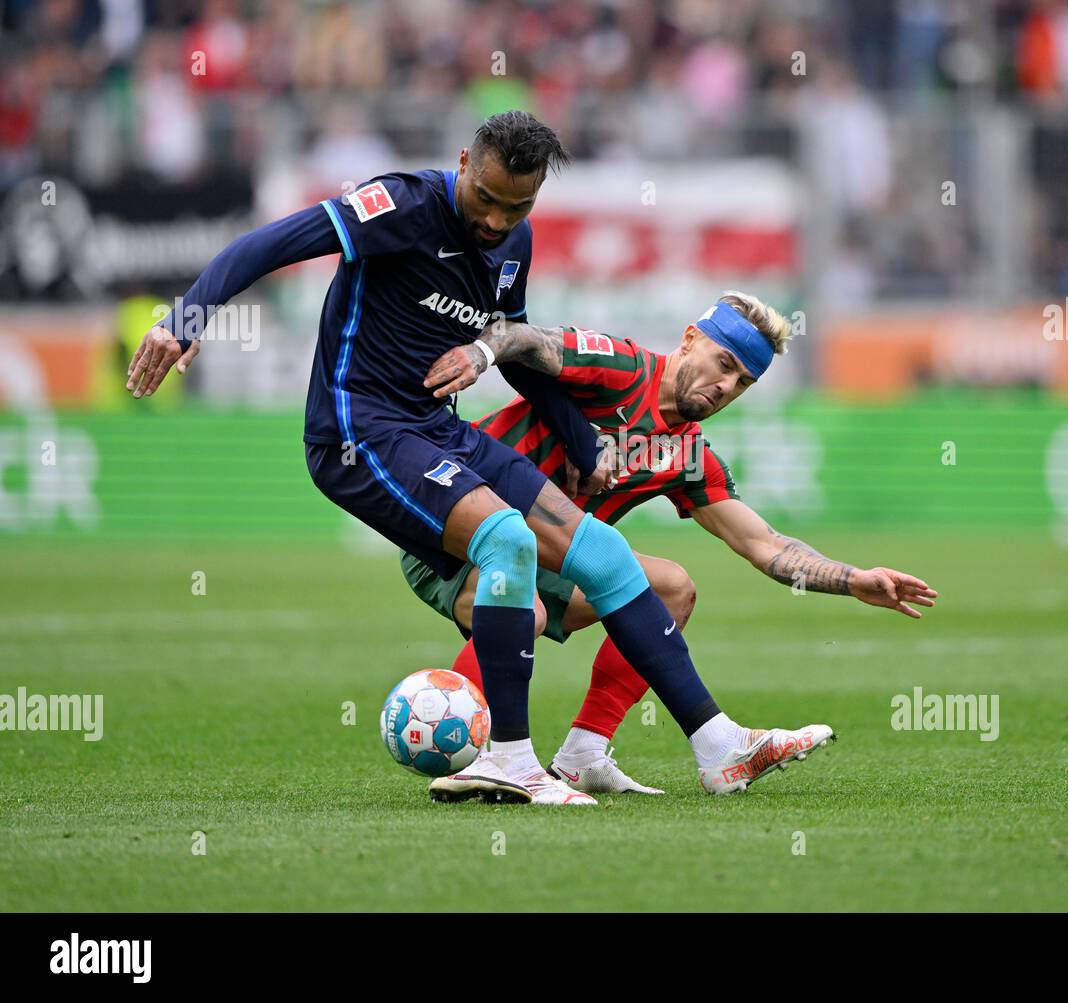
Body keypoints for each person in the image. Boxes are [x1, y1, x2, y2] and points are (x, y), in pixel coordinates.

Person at [126, 111, 831, 806]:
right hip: (359, 429)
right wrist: (187, 317)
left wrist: (582, 445)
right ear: (464, 163)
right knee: (507, 539)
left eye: (515, 205)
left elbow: (517, 352)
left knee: (608, 555)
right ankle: (511, 761)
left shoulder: (515, 243)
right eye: (485, 198)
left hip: (438, 428)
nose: (495, 220)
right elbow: (269, 242)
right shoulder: (402, 203)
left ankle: (718, 747)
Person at [414, 292, 938, 798]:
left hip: (547, 554)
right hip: (452, 531)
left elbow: (763, 543)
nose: (725, 386)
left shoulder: (686, 454)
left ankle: (582, 757)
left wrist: (854, 579)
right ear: (690, 339)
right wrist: (479, 355)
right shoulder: (621, 368)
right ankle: (488, 757)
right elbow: (522, 338)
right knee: (524, 608)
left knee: (672, 587)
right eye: (724, 362)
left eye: (742, 382)